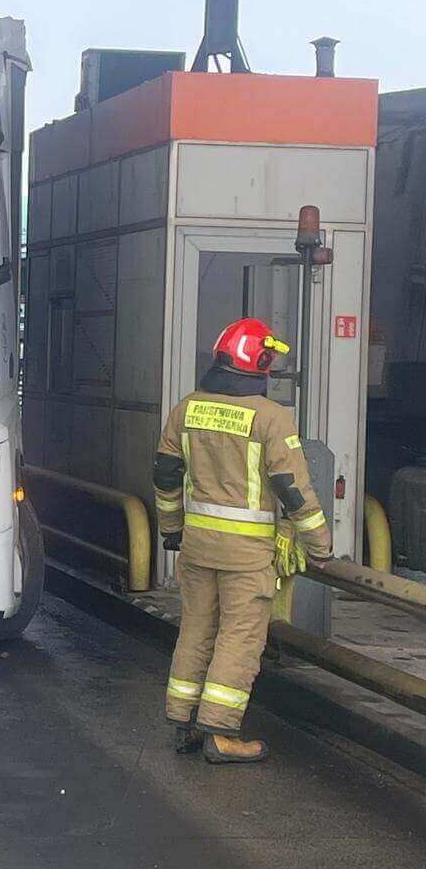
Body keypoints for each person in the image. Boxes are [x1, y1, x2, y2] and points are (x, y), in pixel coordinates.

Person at [152, 317, 333, 764]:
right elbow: (293, 490)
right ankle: (221, 732)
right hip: (247, 555)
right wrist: (320, 547)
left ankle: (184, 721)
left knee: (196, 630)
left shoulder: (187, 409)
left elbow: (166, 477)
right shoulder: (272, 418)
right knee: (240, 637)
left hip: (196, 546)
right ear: (260, 362)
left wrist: (171, 530)